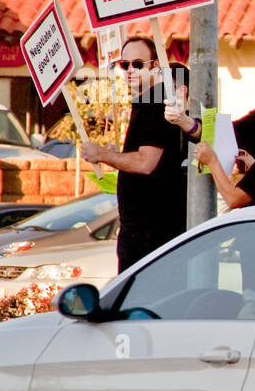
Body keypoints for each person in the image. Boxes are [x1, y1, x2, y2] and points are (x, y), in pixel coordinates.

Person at [80, 38, 200, 271]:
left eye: (138, 64)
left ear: (156, 66)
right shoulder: (151, 103)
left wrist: (101, 154)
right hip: (152, 227)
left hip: (149, 231)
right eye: (125, 65)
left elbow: (146, 163)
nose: (130, 71)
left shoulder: (155, 102)